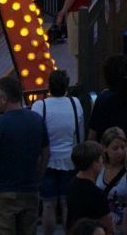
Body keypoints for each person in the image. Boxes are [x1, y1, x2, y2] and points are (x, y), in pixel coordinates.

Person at [0, 76, 48, 235]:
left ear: (4, 98)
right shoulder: (36, 120)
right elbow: (45, 152)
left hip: (4, 191)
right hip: (30, 189)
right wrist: (39, 175)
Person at [31, 72, 87, 234]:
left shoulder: (40, 106)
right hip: (70, 159)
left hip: (46, 160)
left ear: (49, 86)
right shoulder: (75, 103)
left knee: (48, 203)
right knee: (66, 203)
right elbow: (80, 133)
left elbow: (36, 136)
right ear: (66, 86)